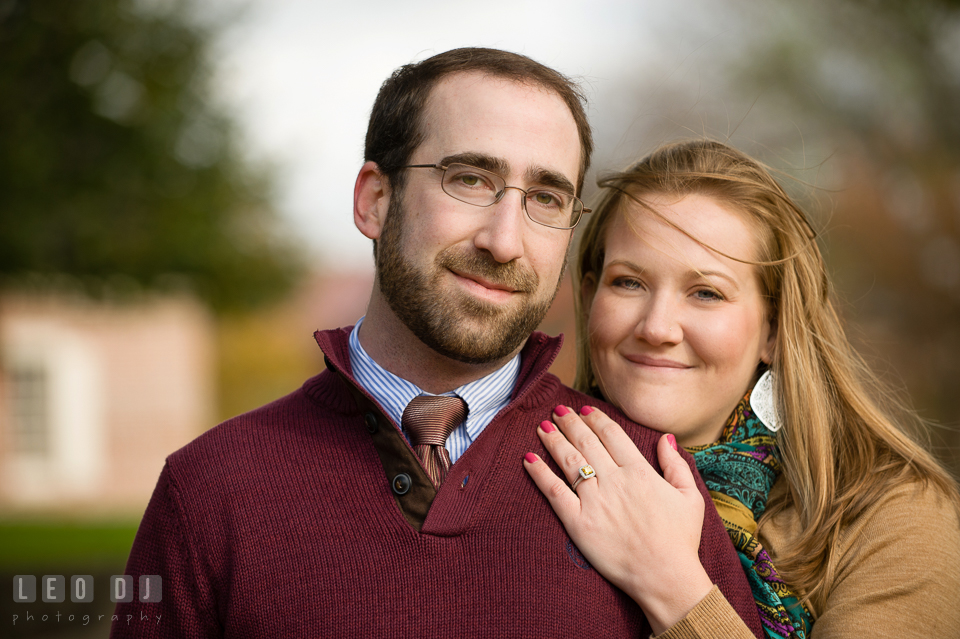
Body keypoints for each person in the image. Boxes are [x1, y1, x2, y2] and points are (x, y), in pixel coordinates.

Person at [111, 52, 763, 638]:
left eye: (545, 196)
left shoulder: (651, 483)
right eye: (470, 179)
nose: (504, 240)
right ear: (374, 199)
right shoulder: (210, 489)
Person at [524, 139, 960, 638]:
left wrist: (670, 582)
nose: (657, 327)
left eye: (706, 292)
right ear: (589, 295)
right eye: (628, 282)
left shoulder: (890, 516)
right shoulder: (522, 465)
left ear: (773, 330)